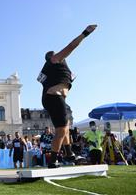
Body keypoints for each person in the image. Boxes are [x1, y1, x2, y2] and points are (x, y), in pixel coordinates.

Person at [38, 24, 97, 168]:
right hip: (54, 96)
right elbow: (71, 46)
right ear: (52, 57)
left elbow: (42, 79)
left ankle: (69, 153)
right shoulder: (54, 60)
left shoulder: (60, 68)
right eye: (57, 53)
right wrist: (85, 33)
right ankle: (53, 161)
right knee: (61, 130)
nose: (61, 54)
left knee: (66, 126)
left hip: (54, 97)